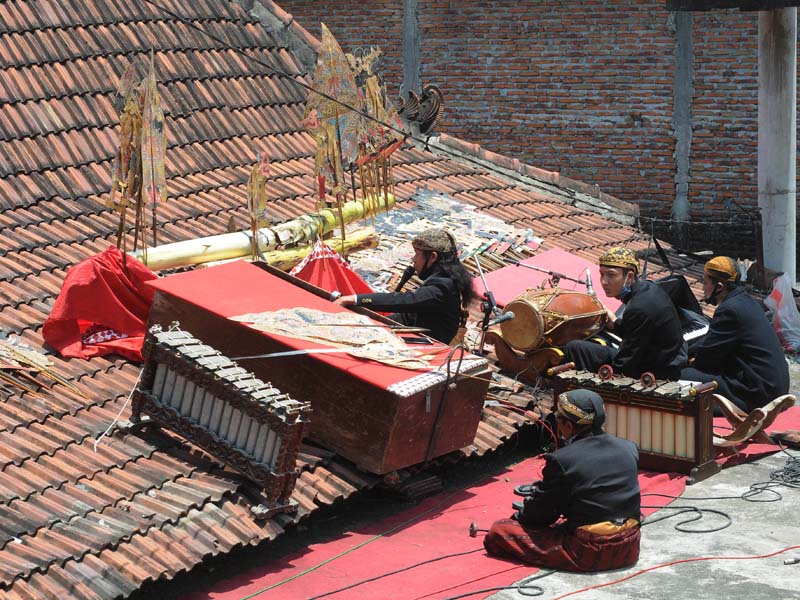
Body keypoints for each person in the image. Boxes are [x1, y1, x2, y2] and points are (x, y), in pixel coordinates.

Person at [483, 389, 641, 571]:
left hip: (588, 551)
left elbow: (541, 516)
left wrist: (520, 518)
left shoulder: (562, 459)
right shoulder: (629, 447)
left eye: (558, 419)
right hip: (630, 546)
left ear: (567, 425)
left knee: (500, 531)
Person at [680, 256, 789, 413]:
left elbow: (706, 360)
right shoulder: (746, 301)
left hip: (758, 395)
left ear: (719, 287)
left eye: (705, 283)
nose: (703, 288)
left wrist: (686, 358)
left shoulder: (729, 310)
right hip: (773, 387)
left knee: (678, 377)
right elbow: (717, 344)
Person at [334, 228, 476, 344]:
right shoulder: (443, 280)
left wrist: (355, 299)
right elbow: (408, 316)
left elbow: (404, 300)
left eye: (417, 254)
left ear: (432, 257)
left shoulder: (443, 287)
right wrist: (373, 324)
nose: (413, 259)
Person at [564, 246, 686, 380]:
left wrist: (606, 374)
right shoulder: (650, 288)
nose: (604, 282)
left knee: (575, 347)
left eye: (611, 275)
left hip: (655, 370)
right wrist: (615, 323)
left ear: (630, 276)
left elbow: (625, 362)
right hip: (664, 357)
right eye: (602, 274)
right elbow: (639, 332)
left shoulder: (639, 307)